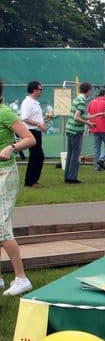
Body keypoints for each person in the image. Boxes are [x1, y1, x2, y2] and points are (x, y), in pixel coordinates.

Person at [0, 79, 36, 296]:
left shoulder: (4, 113)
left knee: (2, 229)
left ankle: (22, 278)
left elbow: (29, 139)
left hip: (5, 174)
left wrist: (10, 147)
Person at [64, 82, 100, 184]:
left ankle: (67, 176)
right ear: (88, 90)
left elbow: (83, 115)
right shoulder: (82, 101)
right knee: (75, 155)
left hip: (69, 129)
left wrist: (98, 114)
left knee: (70, 154)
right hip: (76, 131)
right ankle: (72, 178)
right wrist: (88, 124)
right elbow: (77, 117)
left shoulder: (76, 99)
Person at [20, 80, 50, 187]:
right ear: (34, 90)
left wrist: (45, 119)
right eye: (40, 89)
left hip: (36, 132)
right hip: (31, 132)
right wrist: (38, 124)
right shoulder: (27, 102)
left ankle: (32, 180)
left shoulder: (35, 103)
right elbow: (25, 118)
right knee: (37, 156)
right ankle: (30, 181)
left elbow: (35, 118)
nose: (41, 91)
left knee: (36, 156)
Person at [87, 89, 105, 170]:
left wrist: (89, 127)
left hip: (94, 127)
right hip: (104, 127)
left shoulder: (91, 102)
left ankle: (97, 167)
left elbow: (89, 115)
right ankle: (102, 159)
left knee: (96, 147)